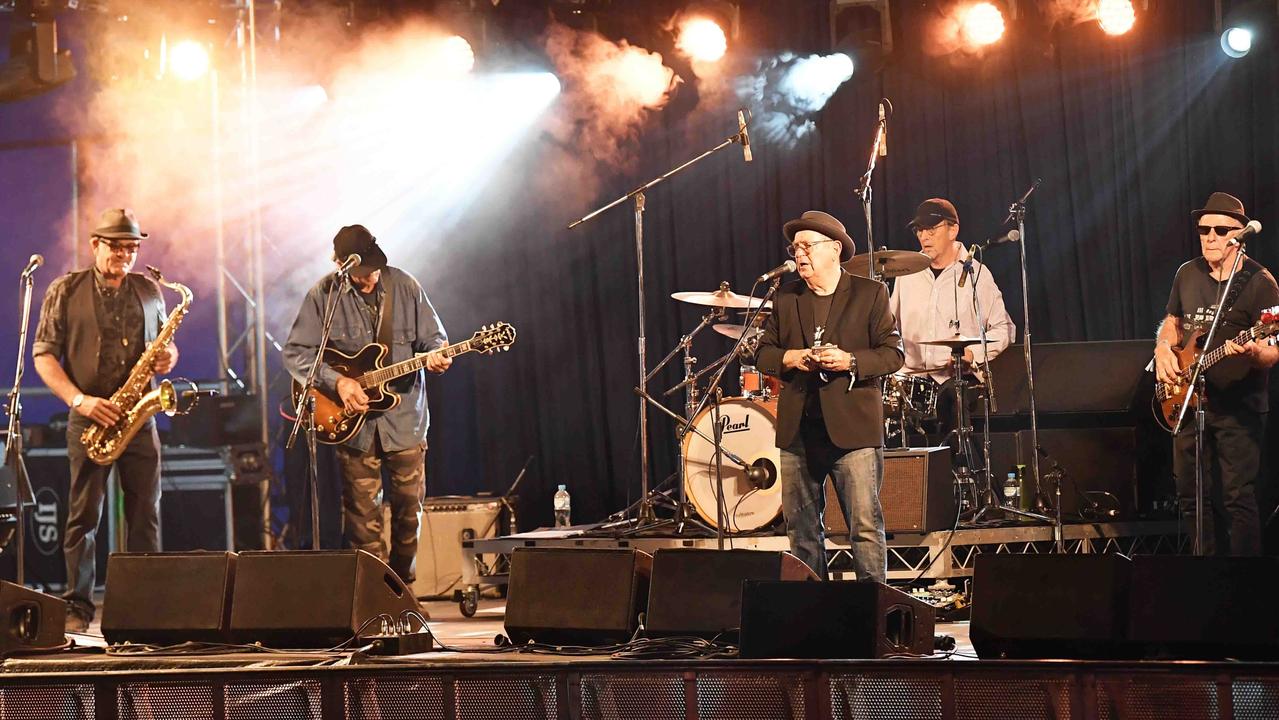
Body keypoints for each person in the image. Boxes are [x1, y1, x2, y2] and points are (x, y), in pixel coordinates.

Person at [32, 208, 178, 632]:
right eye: (117, 246)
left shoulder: (150, 290)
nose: (126, 255)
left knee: (145, 514)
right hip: (89, 418)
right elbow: (43, 355)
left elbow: (163, 353)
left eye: (132, 247)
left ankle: (144, 606)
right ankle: (77, 607)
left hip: (138, 418)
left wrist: (169, 358)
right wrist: (80, 400)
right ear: (94, 244)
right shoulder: (65, 289)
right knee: (83, 516)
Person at [283, 225, 449, 584]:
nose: (367, 279)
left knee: (409, 512)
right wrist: (337, 382)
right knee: (362, 517)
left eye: (372, 270)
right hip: (354, 427)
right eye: (358, 274)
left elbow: (435, 338)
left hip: (404, 421)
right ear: (340, 264)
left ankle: (403, 591)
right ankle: (377, 599)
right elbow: (296, 353)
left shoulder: (405, 286)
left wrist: (436, 354)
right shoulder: (324, 294)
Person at [754, 210, 904, 582]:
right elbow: (763, 354)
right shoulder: (787, 297)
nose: (798, 254)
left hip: (852, 430)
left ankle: (871, 615)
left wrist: (849, 360)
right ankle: (812, 615)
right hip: (798, 431)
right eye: (795, 246)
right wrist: (794, 357)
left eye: (807, 245)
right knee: (801, 533)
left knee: (864, 529)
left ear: (834, 249)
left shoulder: (870, 293)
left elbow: (893, 353)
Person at [1153, 192, 1279, 556]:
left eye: (1220, 230)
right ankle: (1200, 579)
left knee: (1237, 498)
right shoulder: (1187, 273)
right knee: (1191, 496)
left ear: (1239, 235)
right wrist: (1163, 347)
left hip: (1239, 407)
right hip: (1189, 400)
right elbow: (1173, 322)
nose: (1209, 236)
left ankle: (1242, 587)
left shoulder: (1261, 282)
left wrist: (1255, 351)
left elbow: (1273, 349)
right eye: (1204, 229)